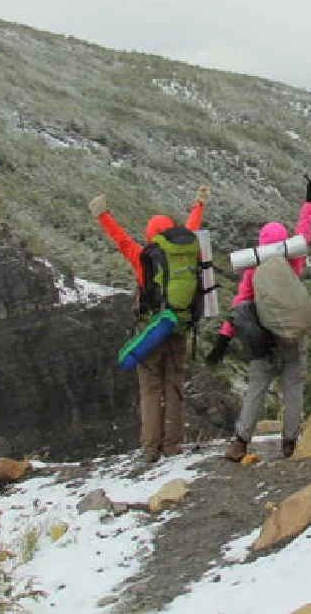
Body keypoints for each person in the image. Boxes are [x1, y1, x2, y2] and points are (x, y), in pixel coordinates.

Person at [88, 185, 211, 462]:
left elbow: (121, 241)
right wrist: (198, 204)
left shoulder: (144, 257)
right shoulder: (186, 250)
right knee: (175, 384)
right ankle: (172, 445)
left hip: (151, 330)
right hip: (179, 326)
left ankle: (150, 449)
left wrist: (103, 216)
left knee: (151, 388)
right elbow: (192, 226)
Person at [210, 176, 311, 460]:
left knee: (257, 388)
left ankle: (240, 442)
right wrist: (310, 202)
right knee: (293, 387)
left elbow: (241, 305)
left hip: (263, 338)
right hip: (291, 336)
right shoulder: (291, 262)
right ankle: (289, 442)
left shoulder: (253, 270)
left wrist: (223, 338)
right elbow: (304, 235)